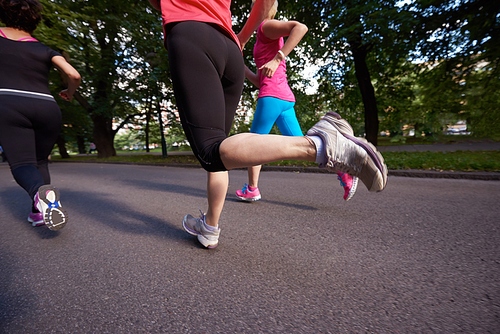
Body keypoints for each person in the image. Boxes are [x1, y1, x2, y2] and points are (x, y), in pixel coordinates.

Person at [147, 0, 388, 249]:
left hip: (191, 33)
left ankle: (321, 144)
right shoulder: (259, 30)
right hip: (230, 49)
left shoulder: (269, 28)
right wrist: (240, 38)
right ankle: (210, 226)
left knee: (213, 150)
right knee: (221, 150)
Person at [235, 1, 358, 203]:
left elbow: (301, 27)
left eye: (255, 4)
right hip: (282, 98)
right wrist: (241, 66)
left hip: (272, 97)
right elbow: (260, 80)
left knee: (253, 144)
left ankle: (252, 189)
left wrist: (278, 58)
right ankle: (344, 170)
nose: (252, 9)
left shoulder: (266, 27)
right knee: (305, 148)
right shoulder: (263, 34)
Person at [0, 0, 81, 230]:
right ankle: (39, 212)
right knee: (40, 161)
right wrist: (69, 92)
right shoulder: (44, 48)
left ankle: (39, 195)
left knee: (23, 163)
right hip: (46, 107)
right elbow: (73, 75)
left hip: (8, 103)